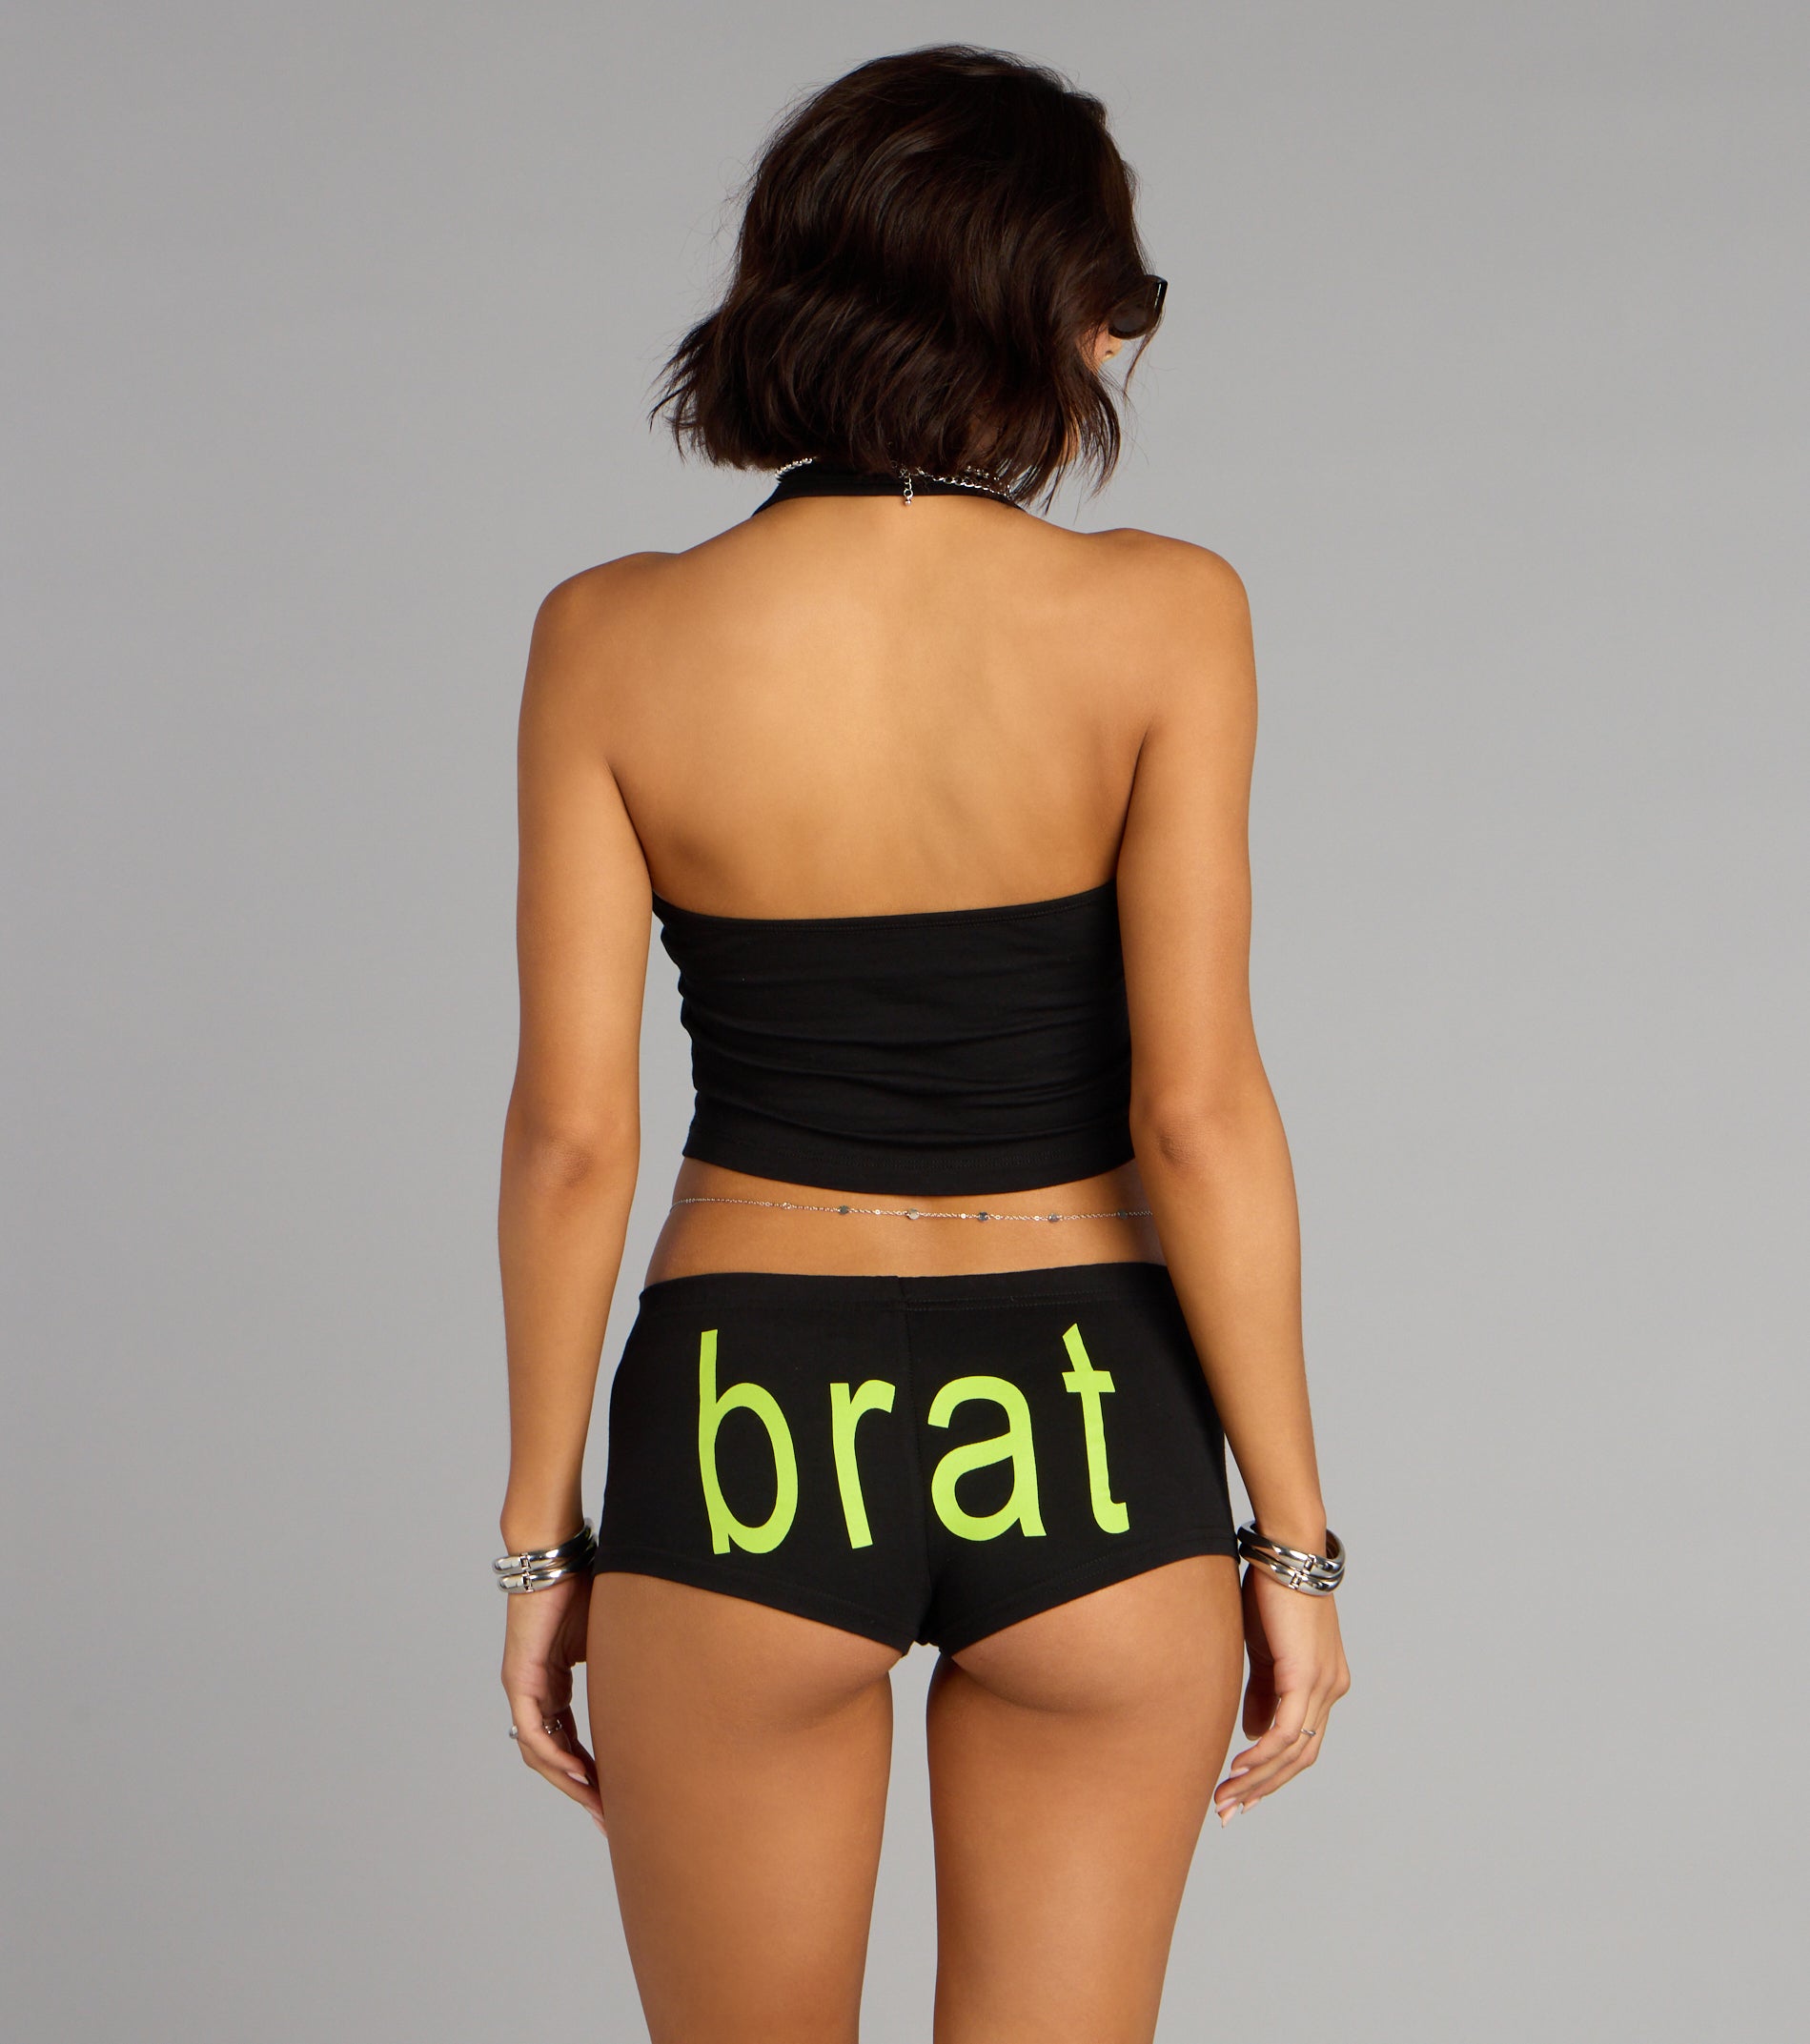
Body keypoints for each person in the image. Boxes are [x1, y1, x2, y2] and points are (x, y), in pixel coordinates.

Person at [494, 43, 1350, 2043]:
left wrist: (544, 1541)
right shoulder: (1166, 615)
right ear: (1041, 308)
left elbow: (571, 1135)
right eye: (1115, 306)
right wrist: (1293, 1546)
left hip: (748, 1416)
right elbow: (1198, 1112)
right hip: (1086, 1406)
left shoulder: (608, 635)